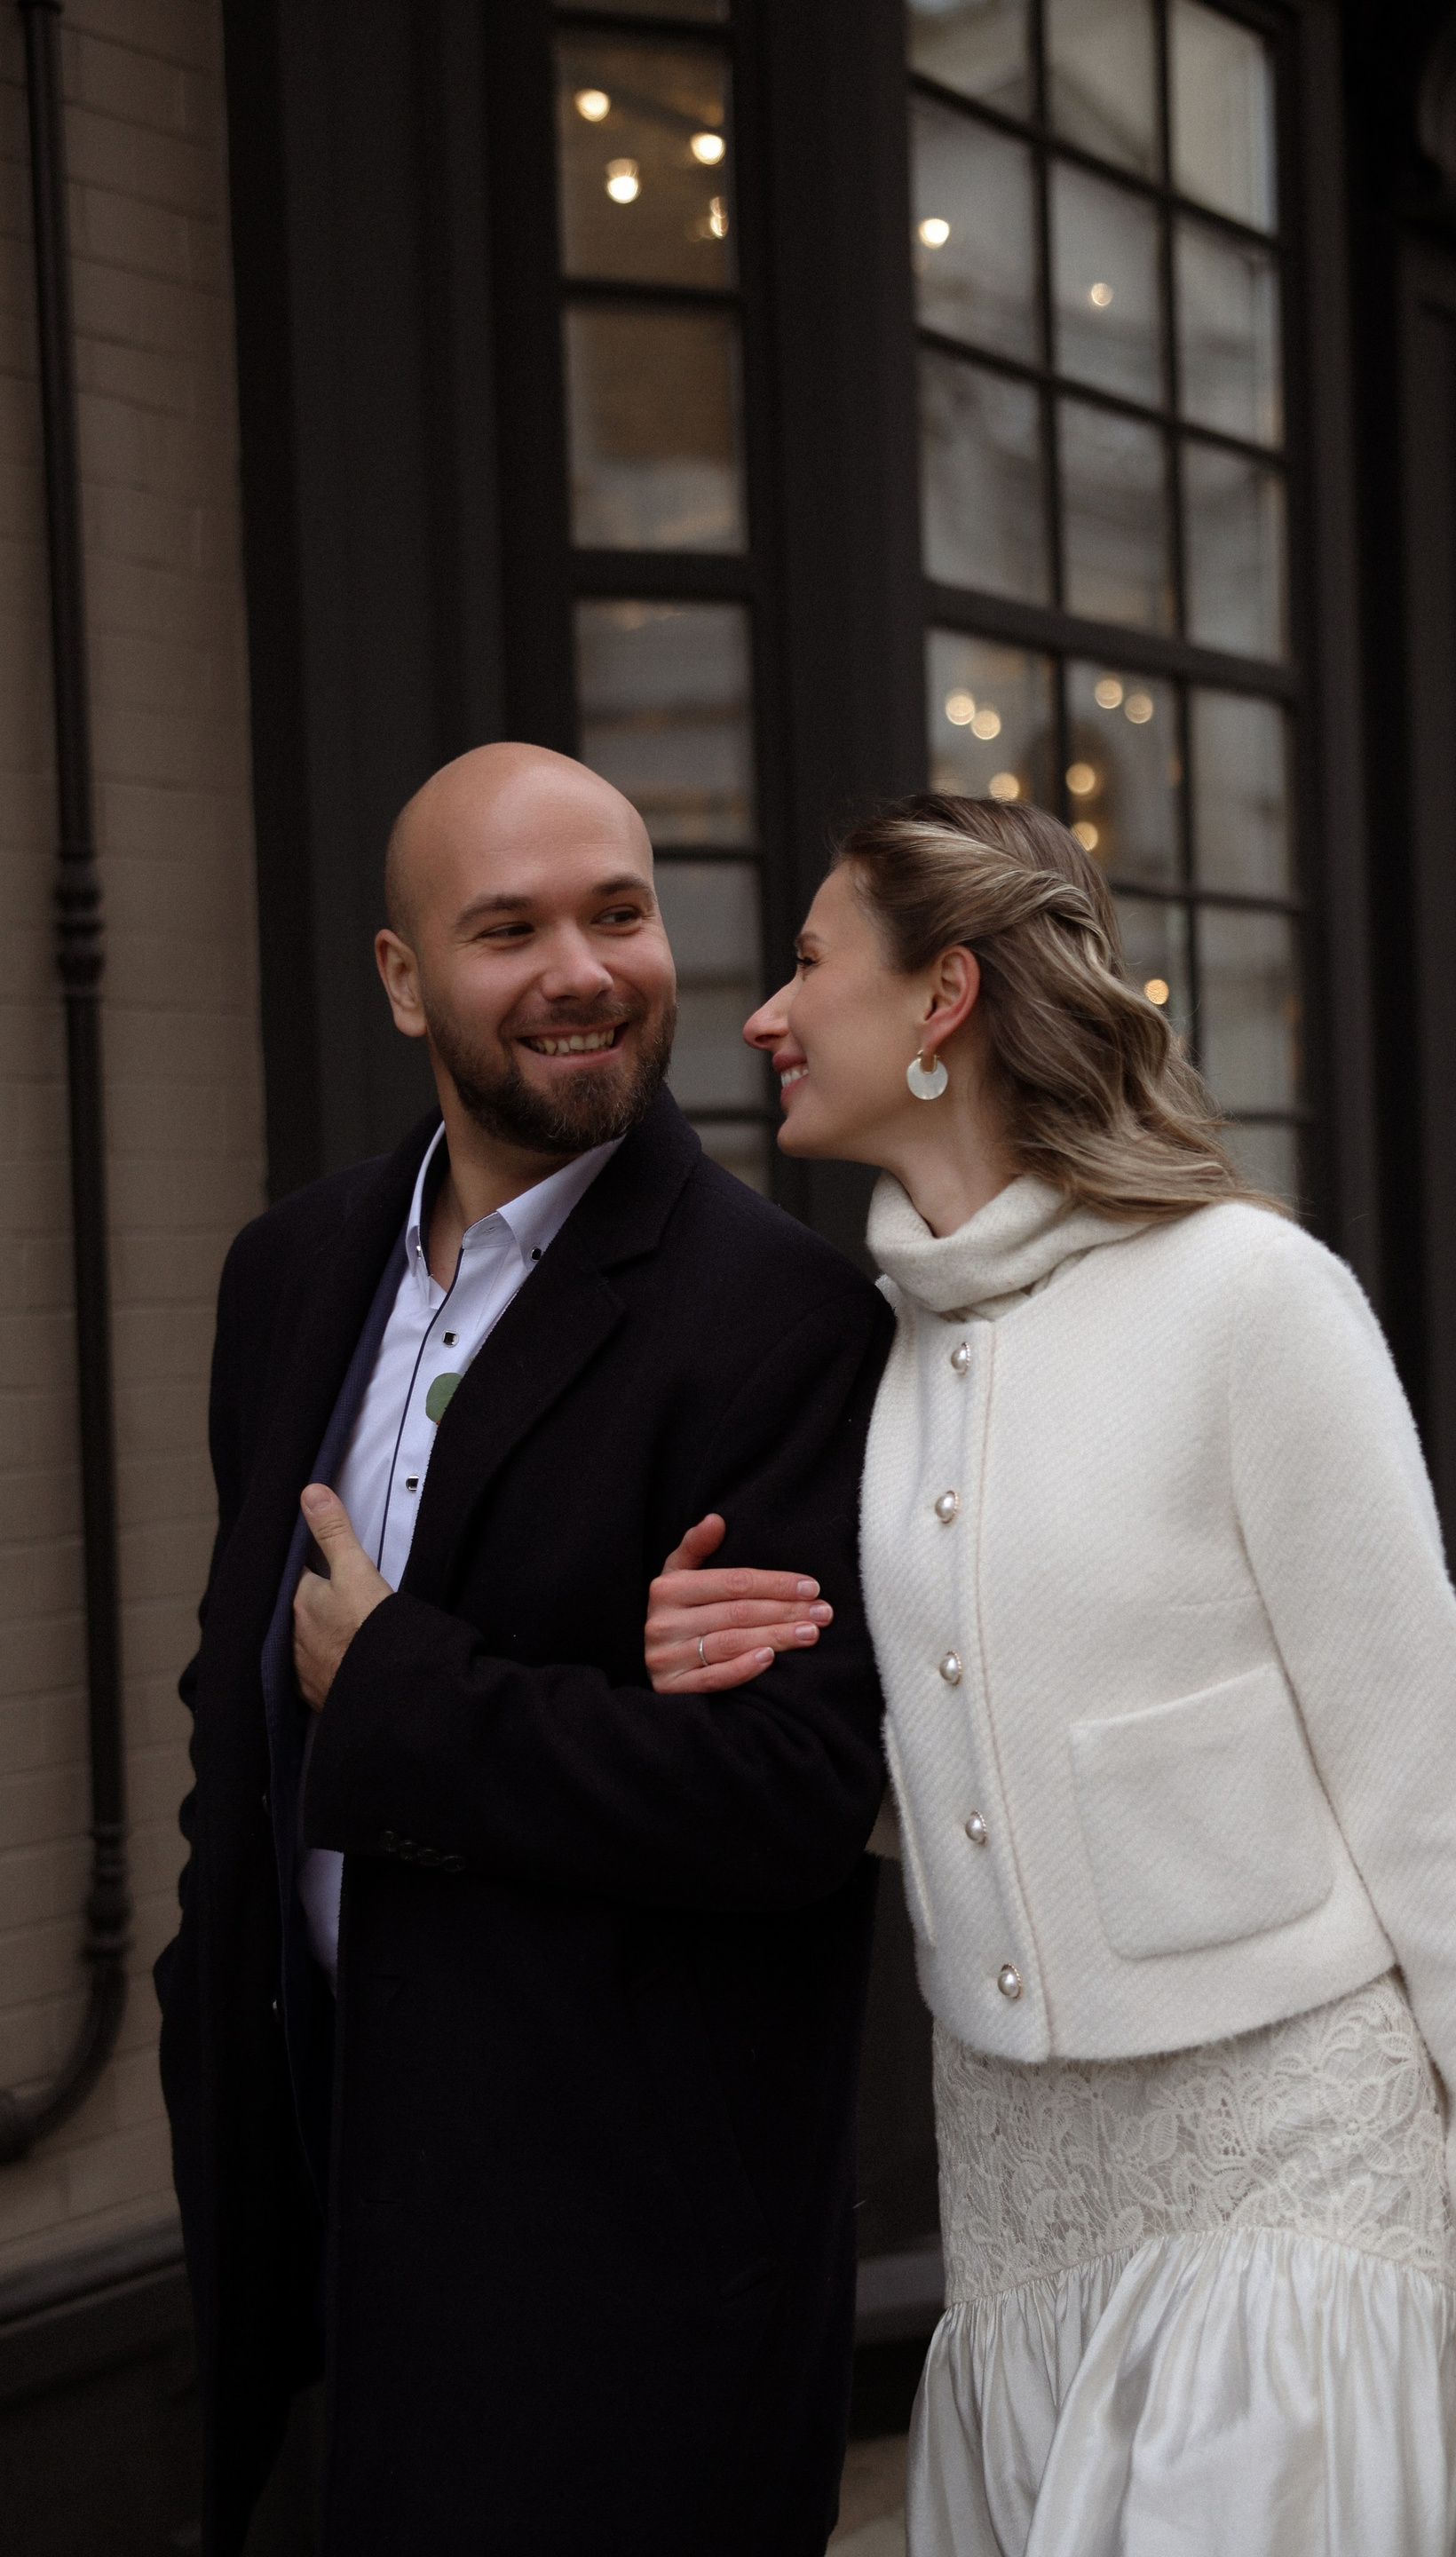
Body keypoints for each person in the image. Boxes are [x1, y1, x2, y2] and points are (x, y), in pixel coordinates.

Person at [642, 793, 1456, 2557]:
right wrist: (733, 1667)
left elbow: (1430, 1784)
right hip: (1022, 2207)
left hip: (1290, 2183)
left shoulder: (1249, 1297)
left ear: (945, 995)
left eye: (807, 963)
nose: (766, 1014)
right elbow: (969, 1769)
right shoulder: (884, 1368)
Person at [155, 743, 895, 2557]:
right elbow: (233, 1698)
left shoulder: (784, 1322)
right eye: (510, 930)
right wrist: (209, 2016)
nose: (583, 970)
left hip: (619, 2271)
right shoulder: (289, 1272)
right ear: (405, 978)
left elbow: (791, 1794)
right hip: (313, 2206)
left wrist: (399, 1695)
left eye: (618, 914)